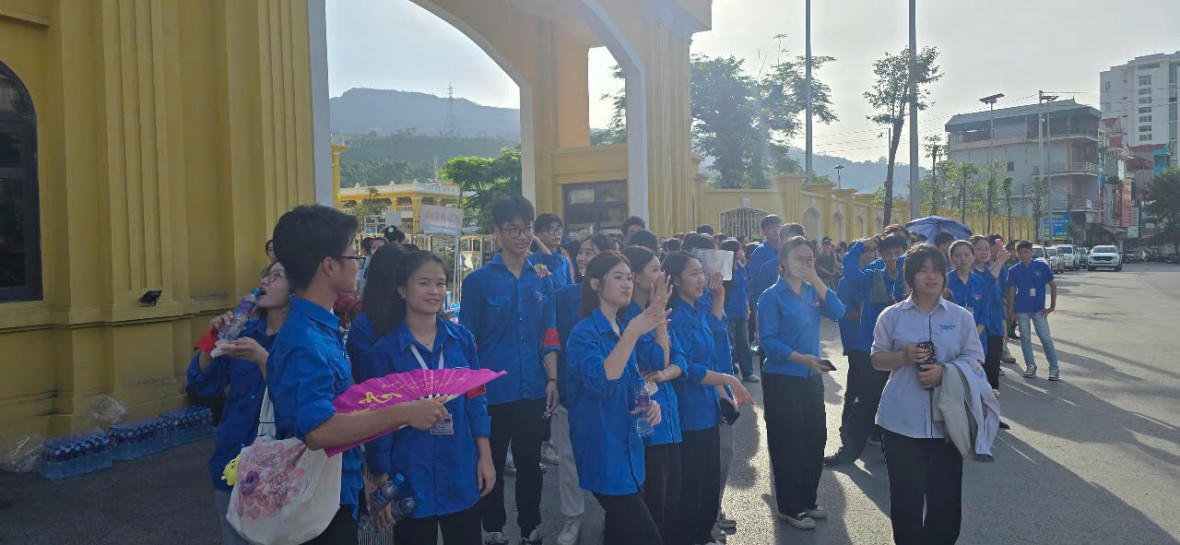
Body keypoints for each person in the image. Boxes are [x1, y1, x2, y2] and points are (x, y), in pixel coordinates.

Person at [267, 205, 449, 544]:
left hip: (335, 488)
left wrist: (356, 476)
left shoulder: (322, 328)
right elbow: (319, 431)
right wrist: (404, 412)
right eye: (354, 256)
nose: (358, 265)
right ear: (329, 266)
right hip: (317, 512)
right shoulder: (304, 340)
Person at [353, 250, 495, 544]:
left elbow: (476, 399)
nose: (434, 291)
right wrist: (382, 477)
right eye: (424, 283)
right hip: (409, 473)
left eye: (440, 283)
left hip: (460, 466)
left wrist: (486, 457)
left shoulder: (462, 340)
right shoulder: (385, 352)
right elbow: (379, 420)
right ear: (402, 290)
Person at [459, 197, 560, 545]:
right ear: (497, 232)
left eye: (527, 228)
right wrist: (470, 388)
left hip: (532, 386)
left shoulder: (542, 279)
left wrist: (552, 378)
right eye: (513, 229)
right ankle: (493, 528)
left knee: (531, 463)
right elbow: (467, 340)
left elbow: (549, 332)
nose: (522, 236)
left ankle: (531, 526)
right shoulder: (478, 281)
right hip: (490, 391)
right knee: (492, 461)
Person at [870, 244, 986, 545]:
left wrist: (944, 372)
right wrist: (903, 356)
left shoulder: (960, 317)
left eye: (937, 270)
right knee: (906, 497)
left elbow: (975, 359)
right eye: (923, 270)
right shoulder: (891, 316)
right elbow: (877, 359)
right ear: (910, 277)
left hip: (947, 422)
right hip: (900, 421)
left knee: (945, 498)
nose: (931, 276)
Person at [565, 251, 666, 545]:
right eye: (618, 277)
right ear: (596, 284)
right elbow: (602, 381)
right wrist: (633, 332)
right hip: (604, 451)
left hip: (630, 447)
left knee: (621, 535)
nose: (627, 284)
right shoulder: (584, 334)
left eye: (629, 278)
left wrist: (651, 403)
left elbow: (634, 383)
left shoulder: (621, 328)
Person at [186, 261, 290, 545]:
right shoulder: (243, 331)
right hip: (231, 460)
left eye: (277, 276)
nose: (265, 281)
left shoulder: (302, 340)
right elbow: (202, 384)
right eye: (265, 276)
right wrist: (214, 338)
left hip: (278, 469)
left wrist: (263, 360)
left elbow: (296, 401)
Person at [663, 252, 753, 545]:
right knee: (691, 486)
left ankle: (703, 534)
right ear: (676, 280)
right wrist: (727, 380)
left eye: (701, 272)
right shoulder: (674, 316)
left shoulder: (698, 306)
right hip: (689, 412)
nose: (701, 279)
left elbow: (717, 338)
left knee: (708, 481)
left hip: (708, 407)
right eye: (694, 274)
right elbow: (688, 369)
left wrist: (719, 296)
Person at [758, 236, 846, 530]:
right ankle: (789, 506)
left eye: (810, 259)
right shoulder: (771, 296)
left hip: (811, 376)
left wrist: (818, 280)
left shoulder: (812, 291)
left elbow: (838, 312)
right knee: (788, 442)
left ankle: (808, 499)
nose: (805, 264)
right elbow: (768, 342)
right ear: (783, 261)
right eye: (799, 258)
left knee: (815, 439)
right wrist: (801, 359)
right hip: (783, 378)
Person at [824, 233, 908, 466]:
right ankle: (849, 451)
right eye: (888, 253)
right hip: (872, 348)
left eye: (898, 253)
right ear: (880, 255)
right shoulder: (872, 276)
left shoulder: (910, 280)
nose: (894, 258)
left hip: (901, 349)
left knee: (899, 400)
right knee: (865, 402)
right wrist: (861, 245)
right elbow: (850, 270)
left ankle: (896, 452)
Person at [621, 246, 685, 545]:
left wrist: (664, 373)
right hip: (646, 418)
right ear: (635, 277)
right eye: (655, 269)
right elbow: (659, 357)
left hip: (669, 414)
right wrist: (658, 317)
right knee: (652, 499)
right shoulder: (629, 318)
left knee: (672, 497)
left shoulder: (658, 312)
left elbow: (679, 359)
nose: (662, 275)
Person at [1007, 240, 1060, 381]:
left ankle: (1054, 368)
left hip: (1039, 310)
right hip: (1022, 310)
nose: (1024, 255)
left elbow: (1053, 285)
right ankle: (1030, 365)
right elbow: (1011, 291)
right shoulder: (1014, 270)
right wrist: (1012, 310)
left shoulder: (1041, 266)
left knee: (1045, 338)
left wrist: (1052, 306)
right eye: (1020, 253)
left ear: (1031, 252)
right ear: (1017, 253)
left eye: (1026, 252)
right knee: (1025, 338)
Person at [720, 239, 756, 383]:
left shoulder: (741, 268)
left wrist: (747, 308)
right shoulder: (724, 271)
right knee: (731, 345)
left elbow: (745, 291)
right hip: (727, 312)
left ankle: (748, 372)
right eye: (739, 249)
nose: (741, 252)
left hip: (741, 311)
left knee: (744, 343)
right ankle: (732, 372)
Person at [533, 213, 575, 287]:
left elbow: (569, 286)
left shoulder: (564, 260)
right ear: (539, 235)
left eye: (558, 229)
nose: (557, 233)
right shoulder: (532, 260)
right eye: (551, 229)